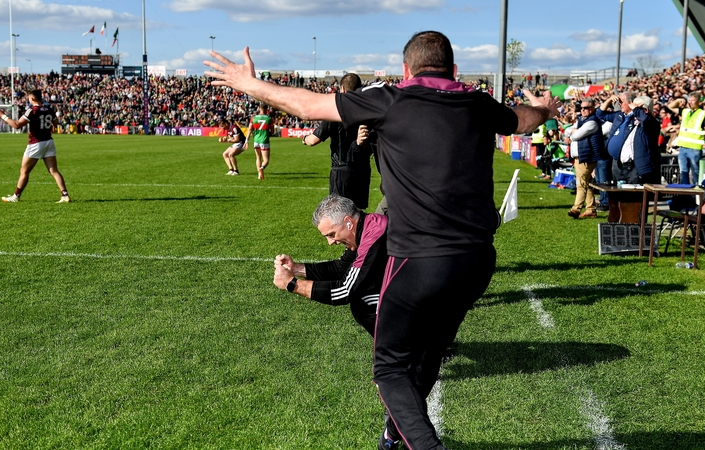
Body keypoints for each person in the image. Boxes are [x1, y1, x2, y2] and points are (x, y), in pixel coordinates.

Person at [205, 31, 560, 450]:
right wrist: (544, 110)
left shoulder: (391, 100)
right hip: (478, 260)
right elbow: (522, 120)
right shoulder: (477, 102)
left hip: (421, 258)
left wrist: (250, 84)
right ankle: (395, 434)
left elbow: (304, 104)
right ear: (455, 70)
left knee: (390, 370)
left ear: (406, 70)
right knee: (427, 355)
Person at [272, 194, 388, 336]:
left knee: (363, 302)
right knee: (362, 301)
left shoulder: (374, 234)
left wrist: (292, 284)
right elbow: (340, 268)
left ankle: (402, 353)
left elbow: (346, 291)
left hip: (417, 294)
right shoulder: (364, 228)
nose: (331, 242)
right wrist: (295, 268)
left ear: (348, 222)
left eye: (332, 234)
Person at [303, 73, 375, 210]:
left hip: (342, 171)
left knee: (339, 214)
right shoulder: (368, 112)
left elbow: (313, 140)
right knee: (357, 213)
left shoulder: (334, 112)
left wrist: (304, 139)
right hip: (362, 170)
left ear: (342, 89)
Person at [0, 89, 69, 203]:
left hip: (36, 143)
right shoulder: (49, 109)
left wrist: (3, 116)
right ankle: (65, 195)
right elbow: (55, 125)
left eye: (29, 98)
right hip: (49, 142)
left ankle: (15, 197)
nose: (29, 100)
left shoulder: (32, 110)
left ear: (33, 98)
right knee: (54, 171)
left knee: (24, 171)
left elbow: (17, 125)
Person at [567, 97, 602, 219]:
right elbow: (567, 131)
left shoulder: (592, 122)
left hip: (586, 156)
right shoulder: (582, 120)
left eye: (586, 108)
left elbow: (575, 136)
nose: (582, 110)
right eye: (581, 108)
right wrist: (573, 131)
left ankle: (576, 208)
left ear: (592, 108)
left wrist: (574, 132)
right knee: (585, 183)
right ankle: (591, 209)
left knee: (581, 184)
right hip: (580, 156)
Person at [672, 95, 705, 184]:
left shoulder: (703, 114)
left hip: (695, 148)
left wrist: (697, 138)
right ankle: (685, 195)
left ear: (698, 102)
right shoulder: (685, 112)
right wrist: (678, 100)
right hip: (682, 147)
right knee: (683, 172)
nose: (690, 102)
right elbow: (670, 106)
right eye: (689, 100)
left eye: (693, 100)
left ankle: (696, 196)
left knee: (695, 172)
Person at [247, 104, 274, 179]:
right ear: (266, 110)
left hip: (256, 140)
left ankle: (259, 175)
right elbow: (272, 131)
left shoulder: (253, 118)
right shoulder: (269, 118)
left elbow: (249, 130)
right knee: (266, 160)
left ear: (259, 109)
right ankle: (261, 169)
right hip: (264, 140)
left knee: (258, 158)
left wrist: (246, 140)